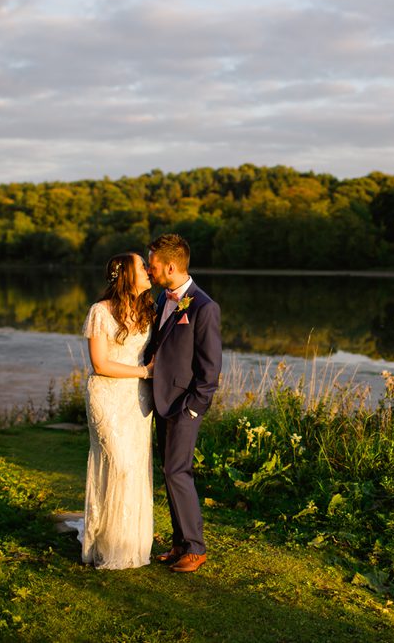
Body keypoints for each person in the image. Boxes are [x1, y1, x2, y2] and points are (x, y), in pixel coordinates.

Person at [144, 234, 222, 574]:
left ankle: (196, 547)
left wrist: (193, 407)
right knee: (169, 472)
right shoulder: (163, 299)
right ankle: (179, 544)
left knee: (178, 471)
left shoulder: (204, 307)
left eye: (153, 265)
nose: (149, 270)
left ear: (170, 266)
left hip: (184, 405)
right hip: (163, 400)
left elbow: (210, 368)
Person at [77, 252, 156, 569]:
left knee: (135, 469)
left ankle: (129, 545)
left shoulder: (148, 309)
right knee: (118, 464)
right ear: (125, 274)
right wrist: (145, 373)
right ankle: (105, 545)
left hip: (138, 400)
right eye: (142, 267)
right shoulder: (99, 311)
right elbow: (100, 363)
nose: (149, 270)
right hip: (107, 398)